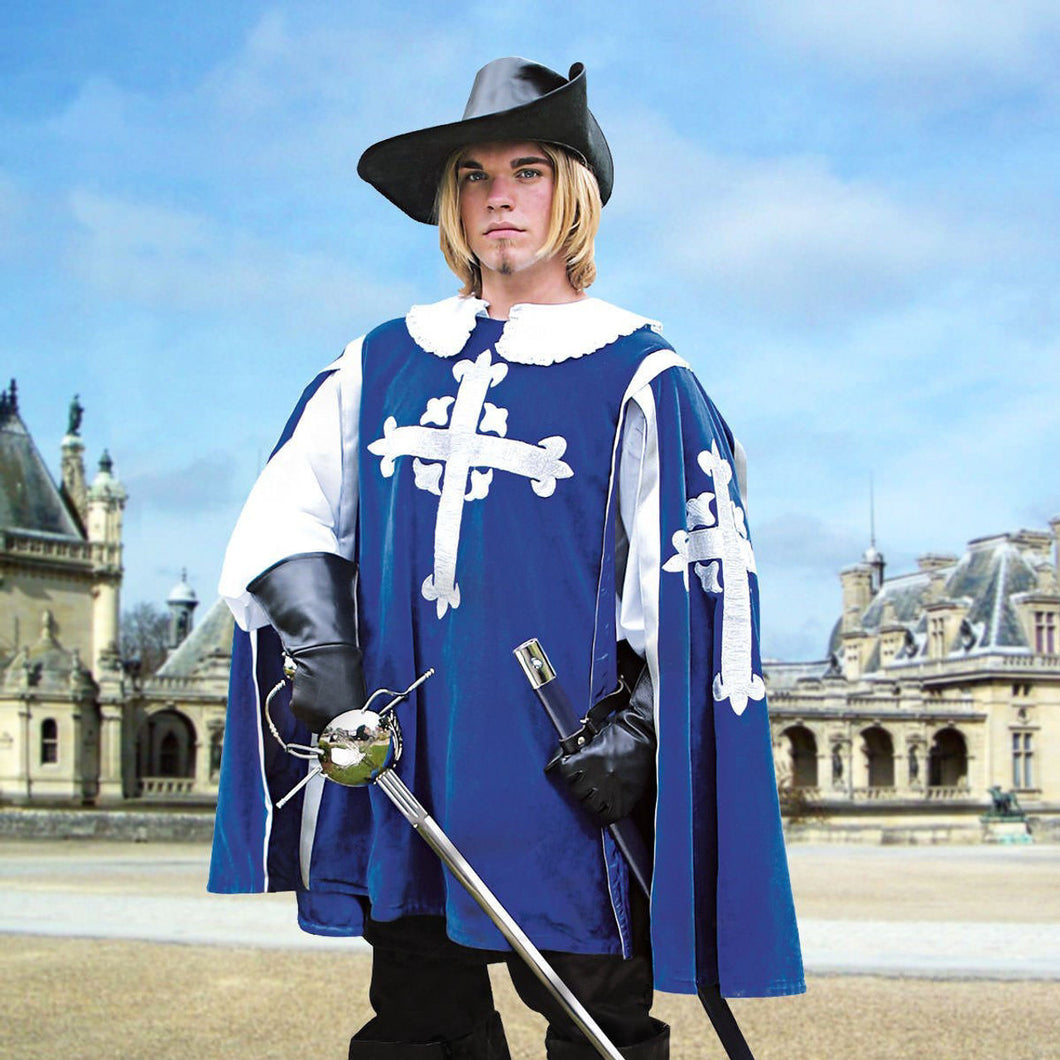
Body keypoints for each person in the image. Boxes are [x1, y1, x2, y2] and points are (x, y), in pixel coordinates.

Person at [209, 57, 804, 1060]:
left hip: (559, 768)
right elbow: (286, 507)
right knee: (418, 1019)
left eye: (526, 171)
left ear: (569, 191)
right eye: (475, 177)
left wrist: (645, 727)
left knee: (595, 1023)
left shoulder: (638, 373)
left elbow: (702, 580)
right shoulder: (382, 359)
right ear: (451, 202)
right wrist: (319, 643)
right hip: (410, 758)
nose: (499, 200)